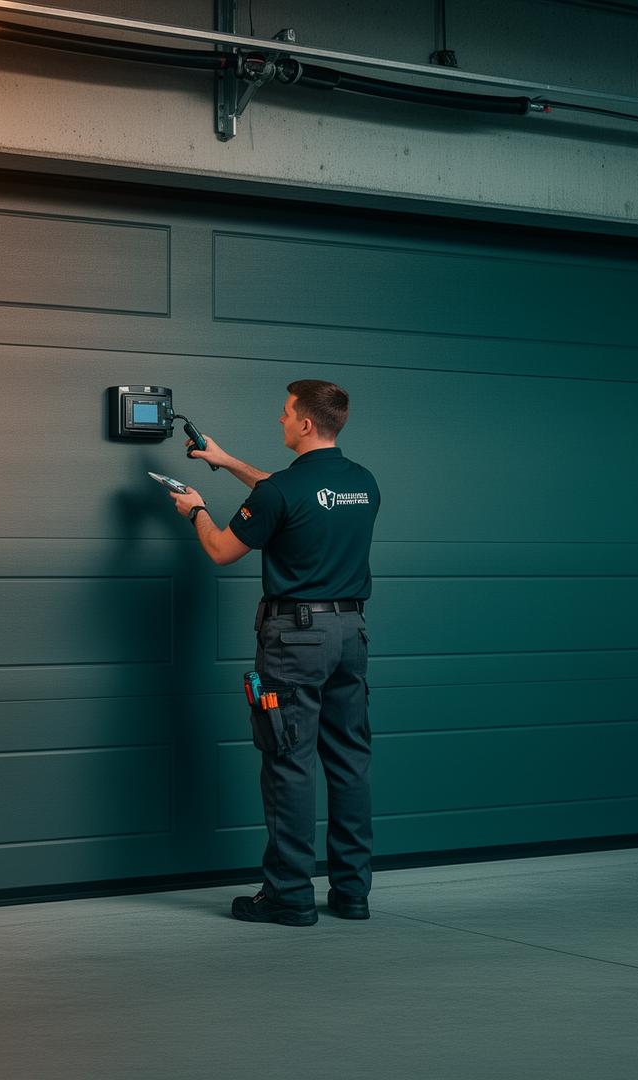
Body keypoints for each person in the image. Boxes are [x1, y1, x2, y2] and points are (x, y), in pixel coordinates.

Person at [167, 379, 380, 926]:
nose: (279, 420)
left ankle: (289, 895)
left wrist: (195, 510)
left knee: (289, 762)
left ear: (306, 423)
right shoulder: (363, 484)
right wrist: (223, 459)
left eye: (285, 414)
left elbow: (220, 549)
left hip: (294, 642)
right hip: (351, 635)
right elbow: (286, 494)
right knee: (350, 762)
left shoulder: (281, 492)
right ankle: (353, 893)